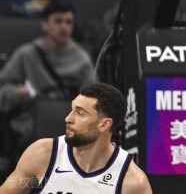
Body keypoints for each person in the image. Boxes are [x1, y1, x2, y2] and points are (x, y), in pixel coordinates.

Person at [0, 82, 152, 193]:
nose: (68, 118)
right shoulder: (42, 155)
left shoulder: (132, 182)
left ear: (104, 124)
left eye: (80, 113)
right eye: (72, 109)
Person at [0, 2, 93, 148]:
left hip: (69, 120)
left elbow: (91, 99)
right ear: (44, 25)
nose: (64, 27)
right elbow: (3, 88)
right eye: (58, 21)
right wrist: (16, 93)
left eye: (68, 22)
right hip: (32, 121)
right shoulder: (27, 54)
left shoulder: (82, 59)